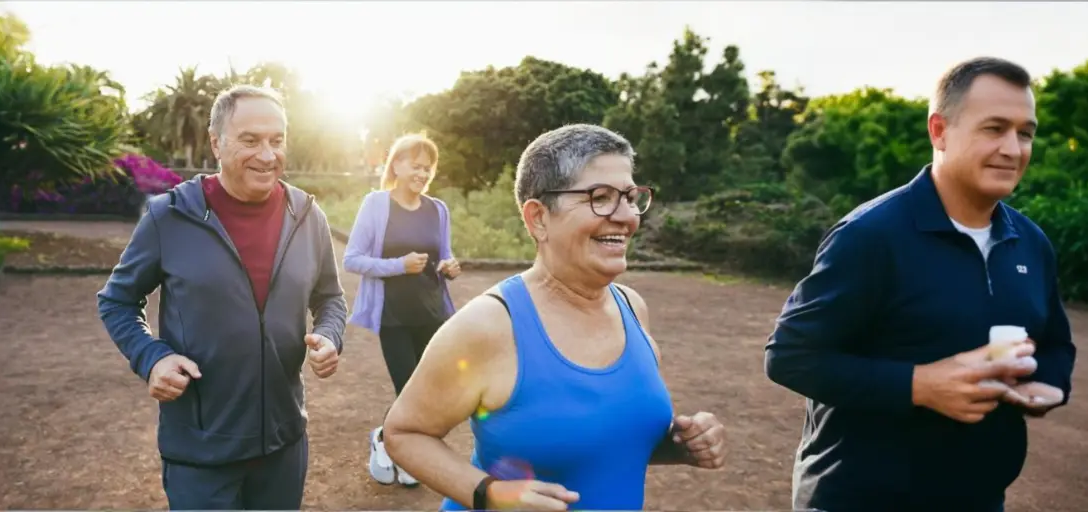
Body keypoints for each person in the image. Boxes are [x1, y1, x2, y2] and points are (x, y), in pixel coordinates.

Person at [764, 56, 1077, 512]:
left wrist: (1048, 384)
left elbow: (1055, 345)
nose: (1013, 148)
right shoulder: (870, 236)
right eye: (994, 128)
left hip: (978, 499)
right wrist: (919, 385)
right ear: (939, 130)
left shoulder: (1030, 243)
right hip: (856, 499)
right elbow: (789, 356)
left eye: (1025, 132)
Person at [381, 124, 729, 511]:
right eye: (601, 198)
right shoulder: (490, 325)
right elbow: (404, 433)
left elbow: (603, 443)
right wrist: (490, 493)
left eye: (631, 197)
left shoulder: (632, 308)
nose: (627, 216)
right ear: (538, 218)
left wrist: (680, 446)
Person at [95, 84, 347, 510]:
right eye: (250, 141)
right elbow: (117, 300)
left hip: (283, 445)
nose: (267, 155)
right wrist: (151, 356)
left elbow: (330, 298)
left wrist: (329, 335)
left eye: (277, 140)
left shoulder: (307, 215)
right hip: (200, 451)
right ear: (217, 142)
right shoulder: (169, 216)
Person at [343, 133, 461, 488]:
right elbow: (352, 259)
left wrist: (449, 266)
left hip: (433, 312)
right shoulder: (377, 204)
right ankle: (387, 442)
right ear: (396, 164)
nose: (422, 173)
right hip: (393, 315)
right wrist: (399, 265)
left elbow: (445, 254)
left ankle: (393, 441)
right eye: (415, 165)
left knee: (427, 392)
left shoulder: (438, 209)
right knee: (408, 391)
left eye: (428, 168)